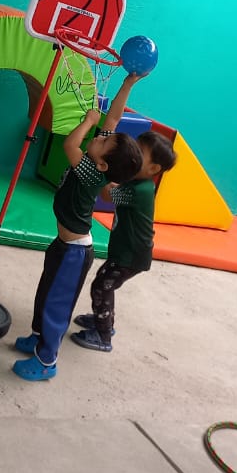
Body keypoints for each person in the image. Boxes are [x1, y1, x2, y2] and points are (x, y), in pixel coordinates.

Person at [12, 75, 144, 382]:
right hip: (64, 244)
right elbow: (114, 119)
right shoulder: (99, 162)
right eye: (102, 137)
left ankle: (47, 361)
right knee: (46, 292)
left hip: (75, 252)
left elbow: (70, 144)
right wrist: (129, 82)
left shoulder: (90, 172)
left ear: (103, 165)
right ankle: (37, 337)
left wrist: (88, 121)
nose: (98, 138)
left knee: (57, 305)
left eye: (102, 141)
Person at [70, 130, 177, 352]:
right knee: (105, 284)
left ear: (153, 169)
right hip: (126, 250)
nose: (132, 154)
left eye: (139, 152)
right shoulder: (137, 182)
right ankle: (102, 318)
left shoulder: (140, 190)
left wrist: (102, 168)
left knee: (102, 286)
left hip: (131, 255)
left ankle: (103, 335)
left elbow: (107, 195)